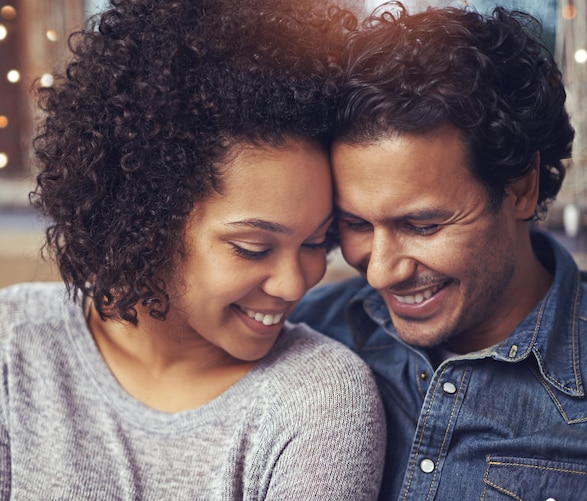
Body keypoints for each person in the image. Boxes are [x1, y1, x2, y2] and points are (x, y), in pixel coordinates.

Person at [0, 0, 386, 499]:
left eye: (315, 242)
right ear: (147, 219)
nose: (295, 283)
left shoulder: (320, 398)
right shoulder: (14, 347)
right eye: (252, 247)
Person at [291, 4, 587, 500]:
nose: (381, 272)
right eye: (356, 224)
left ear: (520, 189)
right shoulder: (303, 337)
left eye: (423, 225)